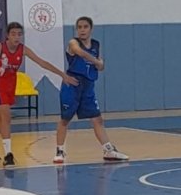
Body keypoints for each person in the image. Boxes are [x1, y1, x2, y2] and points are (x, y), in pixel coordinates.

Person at [0, 21, 77, 167]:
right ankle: (8, 154)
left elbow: (42, 63)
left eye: (19, 34)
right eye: (13, 34)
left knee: (0, 115)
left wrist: (62, 74)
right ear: (7, 36)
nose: (16, 37)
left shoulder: (23, 49)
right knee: (6, 116)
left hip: (11, 83)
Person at [53, 16, 129, 164]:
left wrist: (100, 64)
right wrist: (95, 61)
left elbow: (101, 66)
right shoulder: (73, 42)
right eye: (79, 27)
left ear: (91, 29)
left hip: (88, 86)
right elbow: (80, 52)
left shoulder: (95, 44)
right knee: (65, 119)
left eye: (85, 27)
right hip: (73, 84)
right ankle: (59, 150)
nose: (82, 30)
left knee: (97, 119)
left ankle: (108, 149)